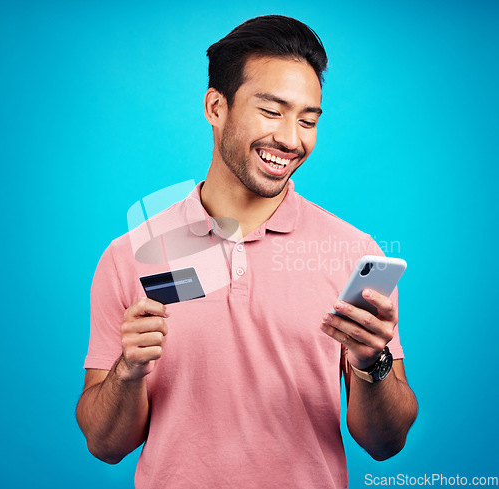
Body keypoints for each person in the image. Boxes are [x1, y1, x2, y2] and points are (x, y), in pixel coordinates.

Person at [76, 15, 418, 489]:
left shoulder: (354, 255)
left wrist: (371, 364)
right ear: (216, 106)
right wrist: (128, 371)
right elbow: (103, 444)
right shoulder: (129, 255)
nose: (291, 139)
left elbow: (387, 444)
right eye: (272, 111)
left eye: (308, 119)